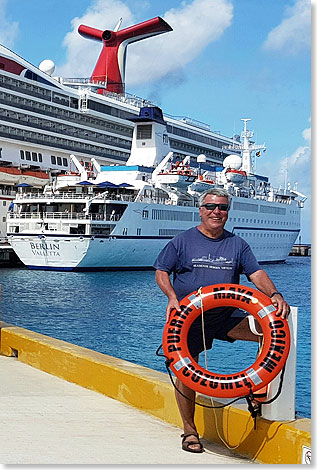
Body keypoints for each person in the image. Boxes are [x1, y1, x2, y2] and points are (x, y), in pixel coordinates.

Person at [154, 188, 290, 453]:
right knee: (185, 373)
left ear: (227, 212)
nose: (217, 212)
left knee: (271, 333)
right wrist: (171, 297)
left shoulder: (237, 244)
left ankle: (260, 389)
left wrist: (274, 294)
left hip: (225, 315)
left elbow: (256, 273)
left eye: (223, 208)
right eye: (211, 206)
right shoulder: (182, 242)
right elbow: (162, 270)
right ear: (201, 209)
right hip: (188, 320)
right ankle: (190, 432)